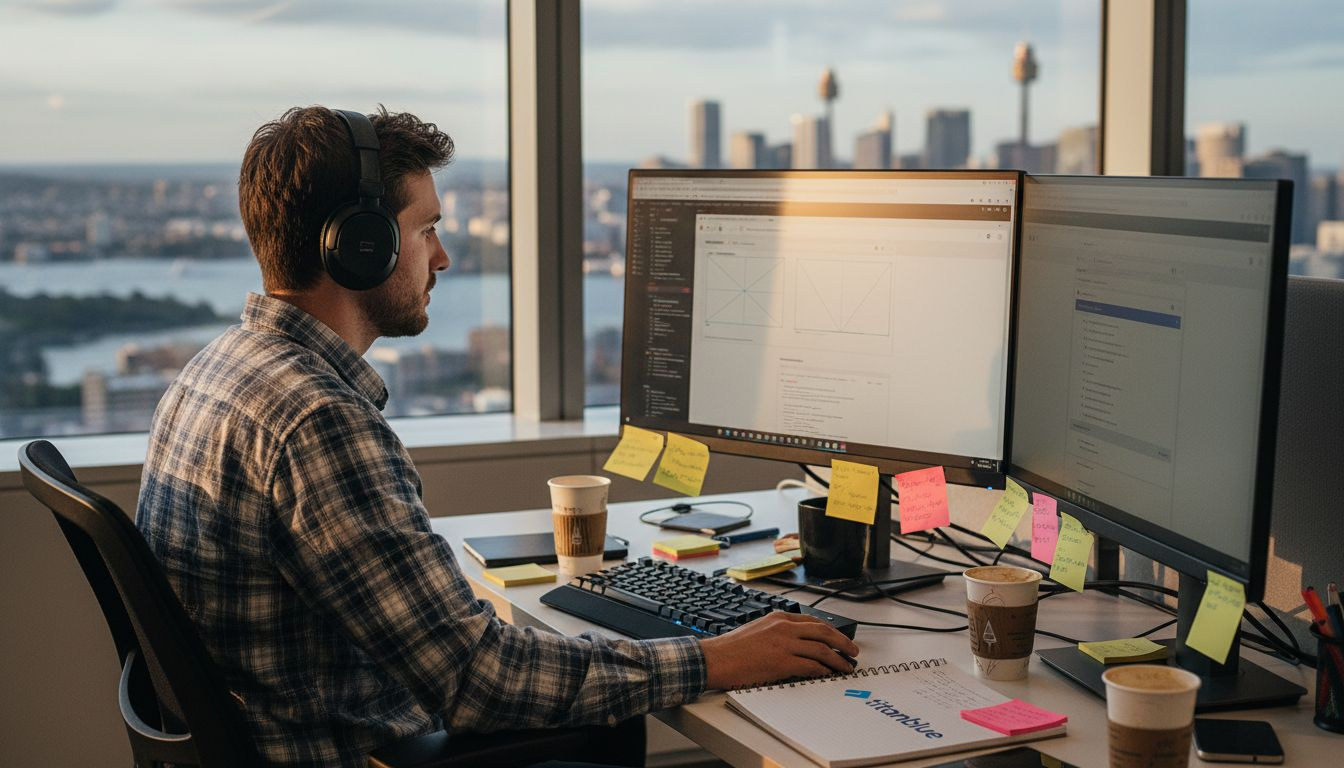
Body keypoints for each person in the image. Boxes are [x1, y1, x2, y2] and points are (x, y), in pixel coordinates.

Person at [136, 105, 859, 767]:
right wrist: (714, 657)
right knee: (609, 720)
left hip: (299, 729)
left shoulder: (215, 372)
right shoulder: (317, 422)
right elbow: (478, 680)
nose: (442, 257)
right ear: (362, 246)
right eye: (426, 230)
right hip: (345, 751)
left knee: (604, 715)